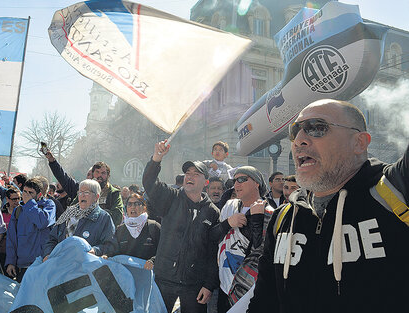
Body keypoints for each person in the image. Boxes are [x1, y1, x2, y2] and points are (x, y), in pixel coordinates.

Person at [248, 99, 409, 313]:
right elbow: (264, 301)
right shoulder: (284, 217)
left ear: (359, 143)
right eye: (295, 131)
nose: (299, 140)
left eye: (316, 128)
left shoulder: (395, 189)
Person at [143, 140, 220, 313]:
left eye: (196, 173)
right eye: (187, 173)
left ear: (205, 182)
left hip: (194, 285)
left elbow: (213, 252)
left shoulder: (213, 212)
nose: (189, 176)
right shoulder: (171, 198)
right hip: (163, 280)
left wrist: (209, 285)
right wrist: (157, 158)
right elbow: (149, 182)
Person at [213, 166, 274, 312]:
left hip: (250, 287)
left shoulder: (270, 213)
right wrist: (228, 223)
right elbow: (211, 237)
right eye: (235, 180)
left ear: (257, 183)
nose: (236, 184)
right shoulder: (230, 207)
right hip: (224, 284)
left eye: (242, 179)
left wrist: (257, 219)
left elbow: (261, 251)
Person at [44, 149, 123, 226]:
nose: (100, 176)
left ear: (108, 175)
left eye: (103, 173)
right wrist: (52, 161)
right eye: (97, 172)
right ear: (93, 174)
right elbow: (64, 179)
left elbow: (117, 217)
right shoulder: (81, 190)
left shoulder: (113, 193)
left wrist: (93, 214)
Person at [42, 179, 116, 260]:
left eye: (86, 192)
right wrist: (48, 254)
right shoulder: (68, 213)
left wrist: (95, 251)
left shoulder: (104, 218)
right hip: (61, 264)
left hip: (85, 267)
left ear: (96, 197)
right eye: (80, 192)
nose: (82, 195)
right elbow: (52, 239)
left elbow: (110, 246)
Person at [5, 178, 56, 282]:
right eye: (24, 191)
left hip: (42, 264)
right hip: (23, 265)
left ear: (39, 194)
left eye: (30, 192)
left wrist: (30, 203)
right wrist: (10, 262)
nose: (26, 195)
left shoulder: (48, 205)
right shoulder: (18, 211)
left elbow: (42, 222)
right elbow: (11, 238)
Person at [105, 192, 160, 269]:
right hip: (127, 277)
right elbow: (114, 251)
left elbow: (164, 250)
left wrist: (153, 260)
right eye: (129, 204)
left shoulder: (153, 227)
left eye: (137, 204)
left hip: (149, 277)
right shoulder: (120, 230)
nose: (133, 207)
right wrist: (106, 256)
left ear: (144, 207)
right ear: (126, 208)